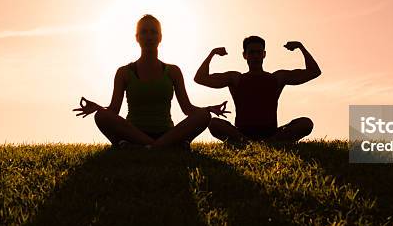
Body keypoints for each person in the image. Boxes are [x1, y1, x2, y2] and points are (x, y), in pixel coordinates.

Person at [73, 14, 229, 149]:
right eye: (144, 32)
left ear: (160, 37)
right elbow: (113, 110)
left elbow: (187, 109)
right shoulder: (124, 72)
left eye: (153, 32)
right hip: (133, 133)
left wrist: (208, 109)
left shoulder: (173, 71)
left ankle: (147, 146)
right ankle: (160, 146)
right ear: (137, 37)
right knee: (101, 116)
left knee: (204, 116)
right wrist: (98, 108)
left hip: (166, 132)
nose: (149, 37)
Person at [194, 35, 321, 143]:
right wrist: (212, 53)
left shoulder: (277, 77)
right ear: (245, 55)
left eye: (259, 52)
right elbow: (200, 78)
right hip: (241, 133)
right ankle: (249, 143)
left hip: (272, 133)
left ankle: (269, 143)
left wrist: (300, 47)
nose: (255, 56)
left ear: (264, 54)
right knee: (214, 123)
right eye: (251, 52)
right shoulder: (235, 78)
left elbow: (314, 72)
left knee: (306, 123)